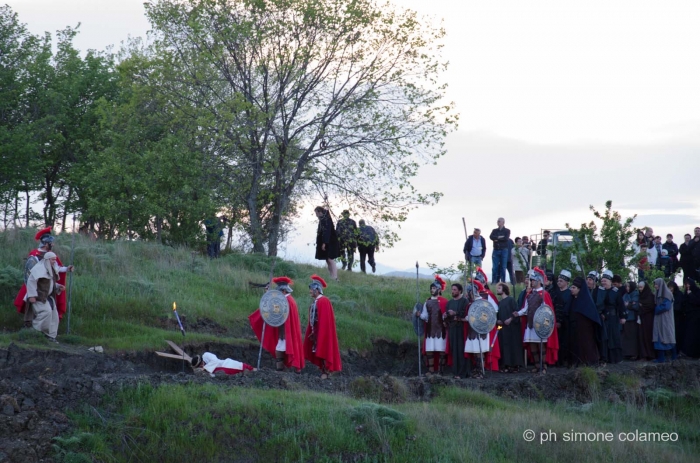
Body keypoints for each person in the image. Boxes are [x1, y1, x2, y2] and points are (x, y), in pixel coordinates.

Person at [14, 227, 74, 325]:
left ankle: (44, 331)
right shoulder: (34, 256)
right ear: (46, 244)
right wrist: (32, 293)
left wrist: (67, 269)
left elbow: (56, 268)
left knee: (48, 310)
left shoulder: (50, 255)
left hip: (47, 287)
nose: (53, 245)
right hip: (37, 287)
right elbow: (30, 276)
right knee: (35, 310)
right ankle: (32, 330)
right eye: (51, 243)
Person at [249, 277, 305, 372]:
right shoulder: (288, 300)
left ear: (283, 291)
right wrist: (268, 294)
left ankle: (284, 370)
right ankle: (282, 369)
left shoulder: (287, 301)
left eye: (279, 292)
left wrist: (268, 295)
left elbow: (274, 309)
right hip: (284, 331)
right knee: (280, 349)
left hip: (285, 332)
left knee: (281, 349)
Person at [513, 267, 559, 374]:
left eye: (533, 280)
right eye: (531, 280)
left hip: (540, 324)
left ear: (538, 281)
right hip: (530, 323)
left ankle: (543, 366)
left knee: (540, 345)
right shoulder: (530, 294)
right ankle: (537, 365)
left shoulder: (544, 294)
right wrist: (518, 313)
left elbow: (547, 311)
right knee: (532, 344)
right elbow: (525, 308)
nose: (531, 282)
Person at [304, 275, 341, 378]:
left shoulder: (324, 301)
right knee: (317, 348)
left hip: (322, 331)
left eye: (312, 289)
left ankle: (326, 373)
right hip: (316, 330)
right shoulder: (317, 301)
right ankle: (324, 372)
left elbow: (324, 321)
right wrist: (313, 331)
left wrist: (320, 332)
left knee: (324, 348)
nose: (310, 291)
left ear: (317, 289)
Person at [25, 252, 63, 342]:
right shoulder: (38, 269)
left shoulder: (51, 269)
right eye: (53, 259)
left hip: (48, 297)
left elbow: (50, 283)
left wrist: (58, 287)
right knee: (45, 312)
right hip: (39, 297)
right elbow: (31, 281)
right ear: (47, 259)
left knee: (54, 316)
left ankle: (50, 336)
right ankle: (35, 332)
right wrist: (32, 295)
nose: (55, 261)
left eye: (55, 259)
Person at [417, 275, 448, 375]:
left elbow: (446, 316)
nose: (432, 290)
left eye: (434, 288)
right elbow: (425, 316)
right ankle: (430, 370)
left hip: (441, 330)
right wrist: (419, 315)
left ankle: (440, 370)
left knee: (441, 350)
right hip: (430, 330)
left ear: (439, 289)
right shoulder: (428, 302)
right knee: (429, 350)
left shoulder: (444, 302)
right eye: (431, 288)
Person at [595, 270, 626, 364]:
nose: (603, 282)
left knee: (614, 338)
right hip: (602, 318)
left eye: (605, 281)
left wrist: (623, 316)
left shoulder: (615, 292)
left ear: (610, 281)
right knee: (604, 338)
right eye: (602, 280)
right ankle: (604, 357)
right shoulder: (599, 291)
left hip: (613, 318)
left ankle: (615, 358)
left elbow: (620, 305)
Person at [569, 277, 601, 365]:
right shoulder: (573, 299)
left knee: (586, 345)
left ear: (580, 289)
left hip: (585, 329)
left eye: (574, 288)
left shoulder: (586, 301)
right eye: (571, 287)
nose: (571, 290)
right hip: (575, 328)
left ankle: (589, 362)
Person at [444, 283, 470, 379]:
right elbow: (446, 314)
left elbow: (466, 314)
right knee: (454, 350)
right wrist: (446, 317)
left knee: (461, 350)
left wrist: (456, 313)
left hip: (461, 329)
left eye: (455, 290)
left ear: (459, 291)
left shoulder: (464, 301)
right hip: (452, 329)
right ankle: (455, 372)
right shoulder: (450, 302)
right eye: (452, 289)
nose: (453, 291)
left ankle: (462, 373)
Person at [496, 282, 524, 373]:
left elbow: (516, 312)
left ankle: (516, 365)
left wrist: (511, 319)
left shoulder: (511, 300)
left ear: (504, 289)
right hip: (502, 328)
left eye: (499, 288)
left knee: (513, 345)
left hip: (512, 328)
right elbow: (498, 315)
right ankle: (506, 365)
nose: (497, 289)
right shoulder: (499, 303)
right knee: (504, 345)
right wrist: (498, 321)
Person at [551, 270, 574, 366]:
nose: (559, 282)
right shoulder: (555, 293)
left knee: (566, 341)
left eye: (561, 281)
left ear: (566, 282)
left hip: (566, 321)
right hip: (555, 320)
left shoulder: (570, 293)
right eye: (558, 281)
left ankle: (565, 360)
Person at [652, 278, 676, 363]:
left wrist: (656, 309)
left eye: (656, 284)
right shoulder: (658, 293)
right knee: (659, 337)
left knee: (668, 336)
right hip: (659, 319)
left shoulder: (667, 294)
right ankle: (661, 358)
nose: (655, 286)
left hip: (665, 319)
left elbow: (666, 306)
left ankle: (674, 356)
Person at [314, 207, 340, 280]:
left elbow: (327, 232)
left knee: (330, 259)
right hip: (327, 242)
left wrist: (324, 243)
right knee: (327, 259)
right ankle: (331, 276)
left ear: (320, 212)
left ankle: (335, 277)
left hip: (330, 242)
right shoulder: (323, 219)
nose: (316, 214)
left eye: (316, 212)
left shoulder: (326, 220)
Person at [637, 281, 656, 361]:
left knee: (648, 336)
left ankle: (651, 354)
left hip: (649, 319)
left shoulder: (650, 295)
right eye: (639, 287)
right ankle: (644, 355)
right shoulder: (640, 295)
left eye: (641, 287)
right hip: (642, 318)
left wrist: (641, 306)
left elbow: (651, 306)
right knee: (642, 336)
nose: (640, 289)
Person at [621, 281, 640, 360]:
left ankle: (634, 354)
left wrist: (628, 305)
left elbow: (635, 305)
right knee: (625, 337)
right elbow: (622, 304)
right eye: (626, 287)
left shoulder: (635, 294)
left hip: (632, 319)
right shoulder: (625, 295)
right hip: (625, 318)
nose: (627, 288)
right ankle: (627, 353)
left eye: (628, 287)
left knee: (632, 337)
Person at [489, 218, 511, 283]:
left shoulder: (507, 230)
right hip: (496, 249)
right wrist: (500, 237)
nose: (497, 222)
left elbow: (506, 238)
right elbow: (491, 237)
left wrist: (496, 238)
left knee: (503, 267)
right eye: (497, 221)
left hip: (504, 250)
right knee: (494, 267)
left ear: (503, 222)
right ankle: (494, 282)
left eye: (499, 221)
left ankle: (503, 282)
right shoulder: (494, 230)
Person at [682, 278, 700, 358]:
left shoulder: (697, 291)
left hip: (696, 316)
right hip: (688, 316)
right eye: (686, 284)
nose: (687, 286)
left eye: (689, 284)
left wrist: (691, 295)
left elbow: (697, 302)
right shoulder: (686, 293)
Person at [668, 281, 685, 356]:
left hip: (678, 317)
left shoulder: (679, 294)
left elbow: (679, 307)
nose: (670, 289)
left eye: (671, 287)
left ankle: (677, 351)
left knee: (677, 334)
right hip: (671, 317)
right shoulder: (669, 294)